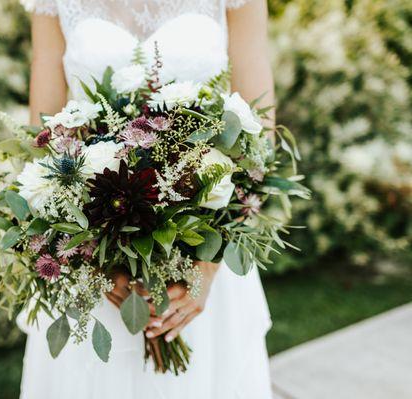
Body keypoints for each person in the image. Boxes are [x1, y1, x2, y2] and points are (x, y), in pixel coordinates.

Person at [18, 1, 274, 397]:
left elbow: (261, 138)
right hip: (97, 265)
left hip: (203, 255)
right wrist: (92, 254)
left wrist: (206, 267)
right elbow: (41, 138)